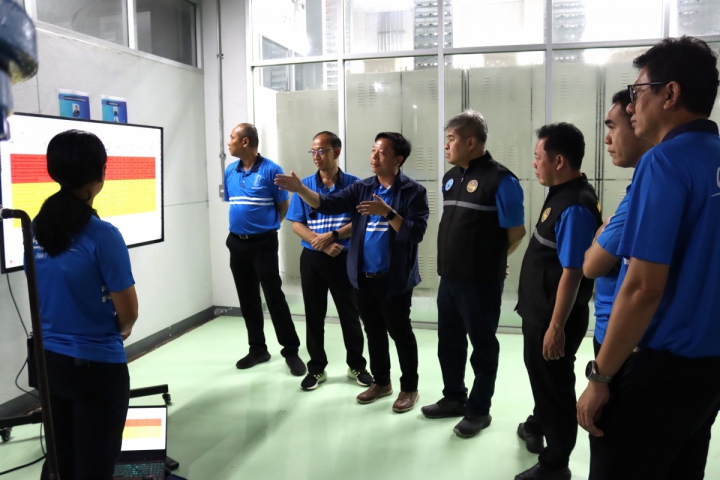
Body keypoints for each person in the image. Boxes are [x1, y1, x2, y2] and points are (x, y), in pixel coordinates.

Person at [577, 36, 720, 480]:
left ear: (670, 93)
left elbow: (642, 288)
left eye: (638, 91)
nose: (632, 104)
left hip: (657, 369)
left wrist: (600, 377)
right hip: (709, 368)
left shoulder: (664, 162)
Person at [275, 132, 429, 413]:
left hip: (393, 279)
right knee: (374, 332)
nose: (374, 156)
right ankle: (382, 382)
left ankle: (409, 388)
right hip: (362, 277)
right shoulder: (363, 187)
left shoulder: (413, 191)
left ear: (398, 159)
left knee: (401, 334)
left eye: (381, 152)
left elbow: (415, 233)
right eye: (373, 150)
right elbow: (326, 203)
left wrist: (388, 213)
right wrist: (300, 189)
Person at [33, 130, 138, 480]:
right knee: (94, 465)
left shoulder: (37, 227)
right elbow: (129, 313)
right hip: (97, 370)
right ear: (100, 173)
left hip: (48, 363)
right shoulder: (103, 235)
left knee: (59, 461)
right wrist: (119, 330)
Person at [420, 110, 526, 437]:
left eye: (451, 139)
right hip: (449, 279)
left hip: (480, 282)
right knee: (449, 343)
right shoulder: (450, 177)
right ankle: (454, 397)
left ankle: (479, 410)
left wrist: (495, 259)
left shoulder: (502, 180)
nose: (446, 146)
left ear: (470, 141)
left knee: (482, 347)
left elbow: (517, 231)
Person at [515, 123, 602, 480]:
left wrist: (555, 327)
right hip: (540, 309)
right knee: (544, 379)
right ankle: (538, 423)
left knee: (555, 387)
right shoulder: (561, 193)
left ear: (560, 161)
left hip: (553, 318)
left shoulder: (575, 207)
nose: (534, 163)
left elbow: (573, 272)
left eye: (538, 157)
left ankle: (556, 464)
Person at [285, 131, 372, 391]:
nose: (316, 156)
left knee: (350, 313)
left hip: (344, 257)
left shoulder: (355, 185)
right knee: (314, 314)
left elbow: (360, 220)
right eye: (313, 151)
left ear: (337, 151)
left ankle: (357, 365)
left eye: (321, 150)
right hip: (313, 258)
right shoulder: (303, 185)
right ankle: (316, 368)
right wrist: (320, 242)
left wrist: (333, 237)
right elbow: (296, 224)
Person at [223, 123, 305, 376]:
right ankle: (258, 349)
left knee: (274, 297)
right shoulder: (230, 170)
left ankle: (290, 351)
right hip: (237, 244)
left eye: (232, 138)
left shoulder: (271, 170)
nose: (228, 142)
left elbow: (283, 206)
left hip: (263, 245)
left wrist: (268, 227)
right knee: (247, 298)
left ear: (245, 141)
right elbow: (235, 204)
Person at [582, 90, 652, 357]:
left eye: (613, 126)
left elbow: (591, 265)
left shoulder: (646, 191)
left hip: (621, 337)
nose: (607, 138)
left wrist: (602, 231)